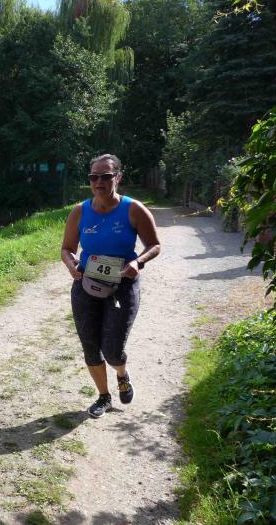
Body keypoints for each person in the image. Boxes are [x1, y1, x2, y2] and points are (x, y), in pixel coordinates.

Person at [61, 154, 161, 418]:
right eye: (93, 177)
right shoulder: (80, 211)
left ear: (117, 177)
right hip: (86, 285)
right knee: (90, 346)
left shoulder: (133, 209)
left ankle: (121, 373)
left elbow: (154, 245)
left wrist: (138, 262)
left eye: (105, 176)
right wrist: (71, 265)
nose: (99, 182)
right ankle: (103, 396)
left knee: (113, 350)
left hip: (122, 287)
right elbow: (67, 249)